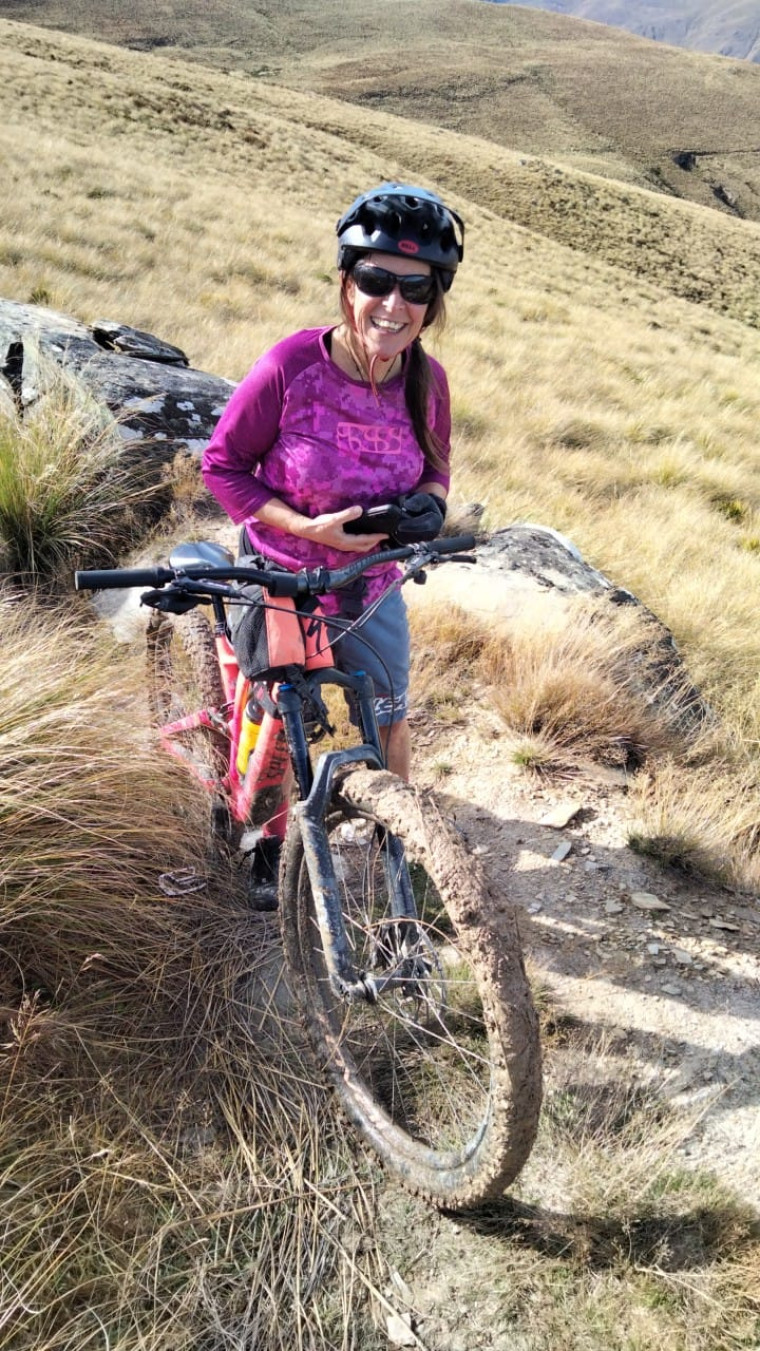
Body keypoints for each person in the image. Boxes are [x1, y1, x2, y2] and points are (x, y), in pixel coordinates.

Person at [201, 182, 465, 905]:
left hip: (370, 580)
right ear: (347, 282)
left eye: (416, 287)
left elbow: (438, 466)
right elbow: (222, 465)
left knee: (389, 714)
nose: (394, 303)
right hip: (283, 570)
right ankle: (265, 842)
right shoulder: (291, 367)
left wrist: (430, 506)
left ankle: (396, 844)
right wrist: (302, 527)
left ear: (434, 298)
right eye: (376, 279)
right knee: (280, 717)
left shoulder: (427, 381)